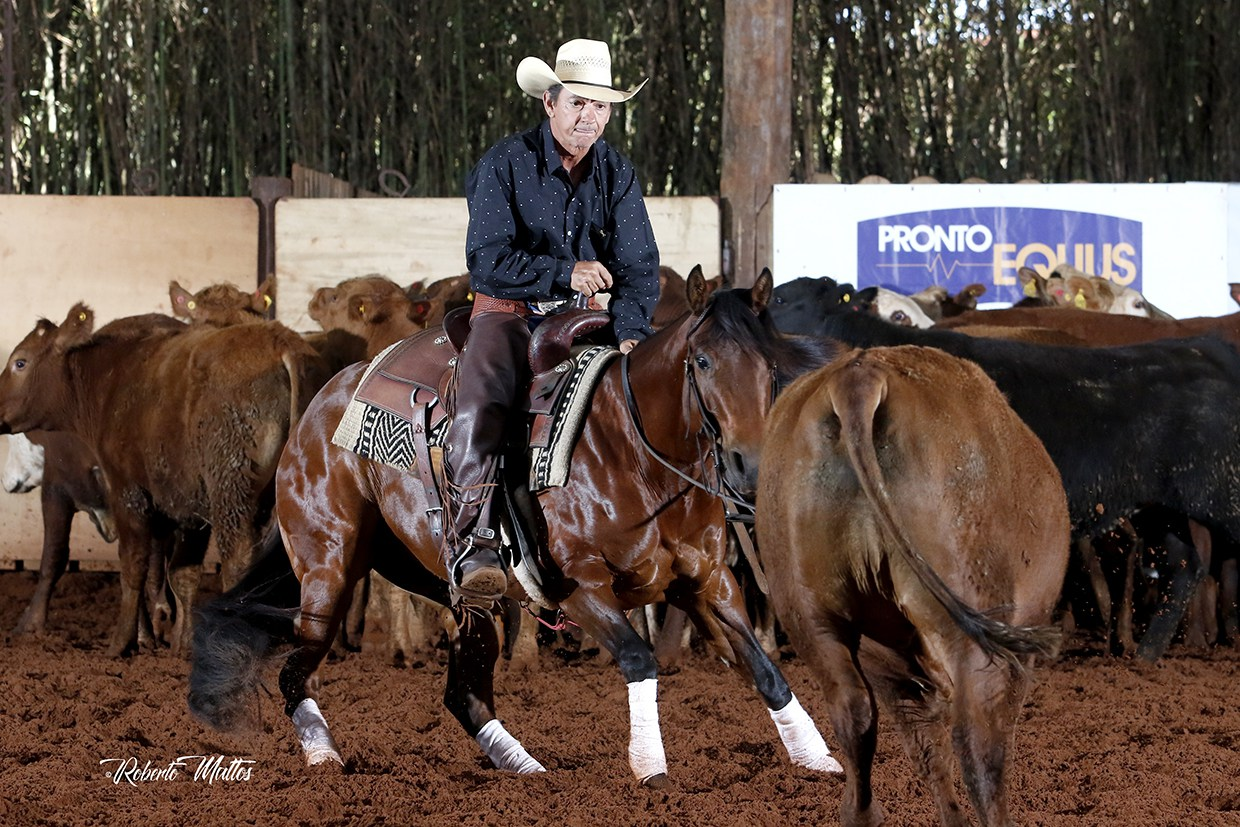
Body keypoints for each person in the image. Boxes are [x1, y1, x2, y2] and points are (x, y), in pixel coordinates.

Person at [442, 38, 660, 603]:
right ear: (550, 103)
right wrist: (566, 273)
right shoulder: (503, 164)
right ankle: (477, 539)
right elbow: (487, 261)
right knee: (484, 395)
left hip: (583, 318)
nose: (589, 117)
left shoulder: (617, 172)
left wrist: (634, 329)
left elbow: (639, 264)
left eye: (601, 106)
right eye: (578, 104)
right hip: (507, 312)